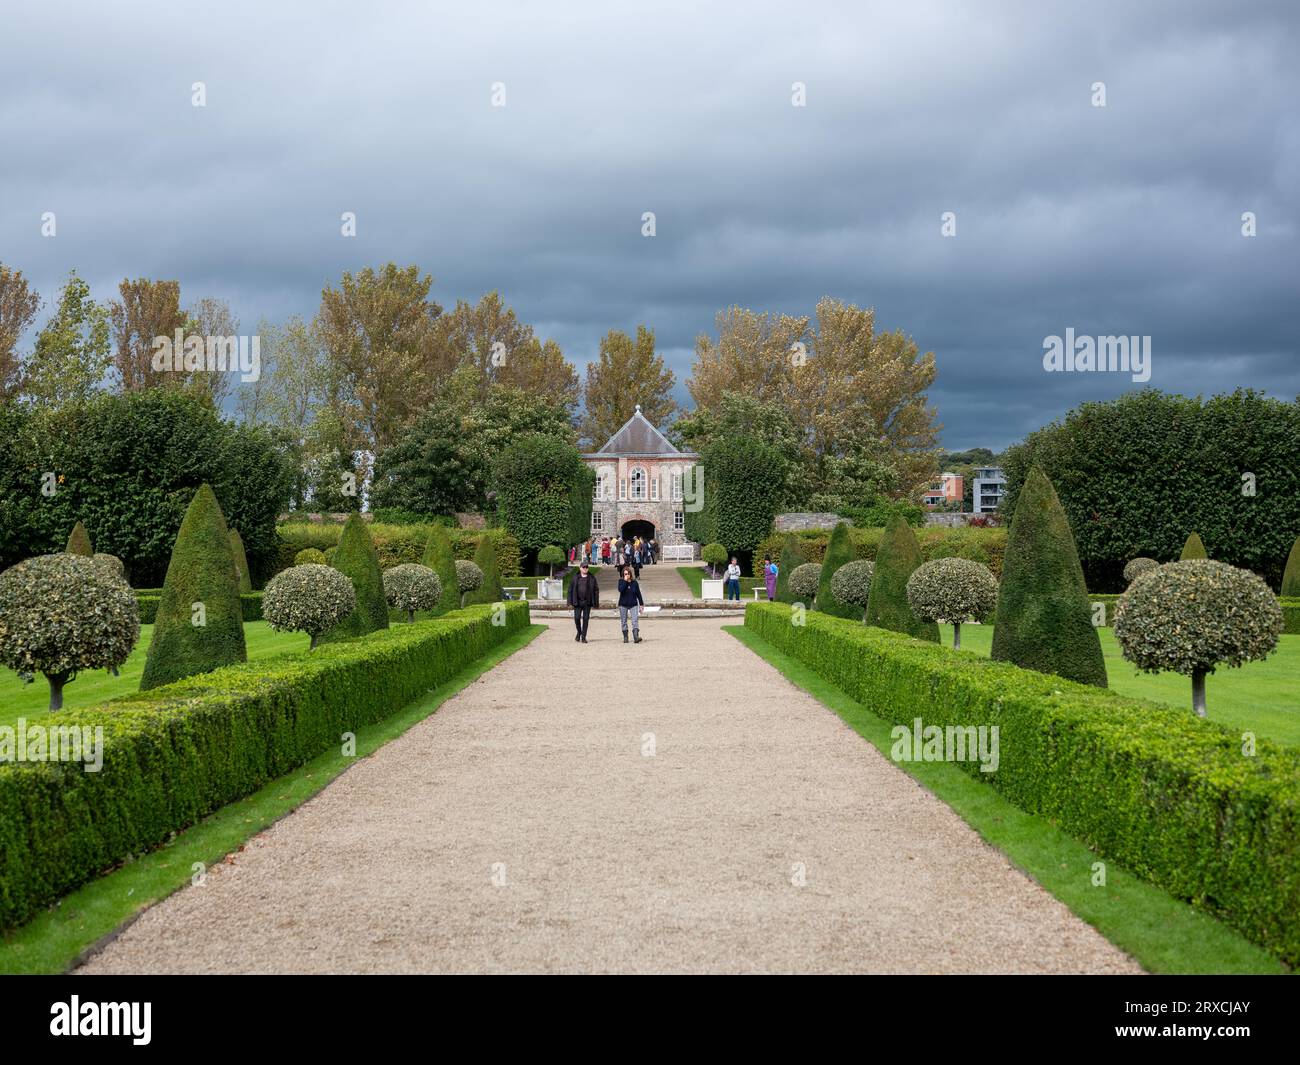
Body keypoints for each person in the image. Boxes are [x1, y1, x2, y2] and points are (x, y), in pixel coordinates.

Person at [567, 560, 599, 642]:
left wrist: (596, 603)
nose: (585, 568)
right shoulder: (575, 577)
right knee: (577, 618)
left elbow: (596, 590)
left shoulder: (592, 578)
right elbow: (570, 590)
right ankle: (579, 632)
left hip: (587, 602)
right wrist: (569, 602)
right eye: (583, 567)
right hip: (577, 602)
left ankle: (583, 637)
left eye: (586, 567)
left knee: (586, 619)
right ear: (580, 568)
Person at [617, 564, 644, 643]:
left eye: (628, 574)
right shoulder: (621, 581)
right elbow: (621, 590)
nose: (627, 575)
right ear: (623, 574)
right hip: (623, 604)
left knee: (635, 620)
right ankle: (625, 637)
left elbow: (638, 594)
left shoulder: (634, 583)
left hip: (633, 604)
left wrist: (641, 604)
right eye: (625, 574)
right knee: (624, 621)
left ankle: (636, 636)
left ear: (630, 574)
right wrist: (625, 581)